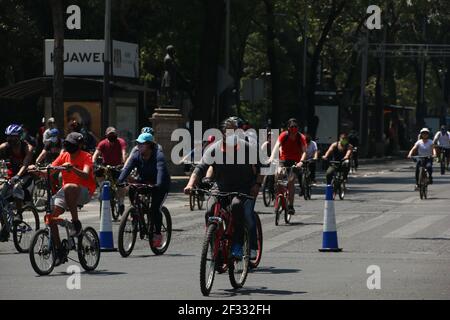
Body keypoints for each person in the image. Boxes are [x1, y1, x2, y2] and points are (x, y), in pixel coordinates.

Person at [184, 117, 262, 259]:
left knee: (237, 206)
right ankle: (215, 244)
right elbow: (200, 168)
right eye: (227, 131)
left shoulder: (247, 148)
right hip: (221, 187)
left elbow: (262, 167)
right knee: (210, 210)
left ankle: (238, 244)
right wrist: (190, 184)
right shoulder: (214, 148)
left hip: (242, 187)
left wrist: (257, 185)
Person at [29, 132, 96, 265]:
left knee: (69, 187)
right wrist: (36, 171)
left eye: (73, 145)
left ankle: (76, 222)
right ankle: (59, 251)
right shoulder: (64, 155)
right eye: (68, 144)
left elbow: (85, 175)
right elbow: (49, 171)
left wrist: (72, 169)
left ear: (80, 145)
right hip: (66, 191)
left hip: (84, 191)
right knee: (51, 217)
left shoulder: (86, 156)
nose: (70, 147)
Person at [117, 132, 171, 248]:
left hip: (160, 184)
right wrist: (119, 181)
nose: (139, 146)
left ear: (150, 145)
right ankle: (136, 211)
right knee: (132, 188)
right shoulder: (136, 155)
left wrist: (158, 185)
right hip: (144, 181)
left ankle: (157, 233)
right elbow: (127, 168)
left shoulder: (158, 155)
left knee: (155, 208)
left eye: (142, 144)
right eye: (138, 144)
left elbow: (161, 171)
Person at [269, 118, 306, 215]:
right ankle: (277, 194)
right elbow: (276, 146)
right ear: (288, 128)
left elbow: (304, 151)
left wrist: (301, 162)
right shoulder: (284, 135)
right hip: (284, 160)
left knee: (290, 182)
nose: (294, 129)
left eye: (296, 127)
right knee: (278, 174)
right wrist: (271, 158)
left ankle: (290, 206)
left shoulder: (300, 137)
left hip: (295, 162)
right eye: (292, 127)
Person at [93, 127, 127, 215]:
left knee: (121, 184)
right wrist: (93, 162)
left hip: (117, 166)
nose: (112, 136)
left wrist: (123, 163)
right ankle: (101, 187)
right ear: (106, 135)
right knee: (98, 172)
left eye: (113, 134)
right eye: (110, 135)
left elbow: (123, 152)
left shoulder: (120, 142)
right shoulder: (103, 143)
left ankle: (121, 203)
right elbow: (96, 154)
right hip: (106, 166)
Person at [0, 124, 34, 205]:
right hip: (10, 175)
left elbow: (25, 164)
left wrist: (17, 176)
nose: (10, 139)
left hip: (25, 175)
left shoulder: (27, 148)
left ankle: (19, 214)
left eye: (13, 137)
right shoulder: (3, 147)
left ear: (19, 137)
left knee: (16, 188)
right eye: (8, 136)